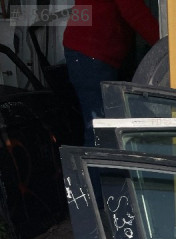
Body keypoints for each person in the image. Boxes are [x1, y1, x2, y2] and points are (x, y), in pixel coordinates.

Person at [64, 0, 160, 145]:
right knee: (101, 129)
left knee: (99, 126)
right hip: (92, 53)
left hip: (85, 51)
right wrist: (168, 45)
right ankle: (96, 159)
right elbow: (135, 12)